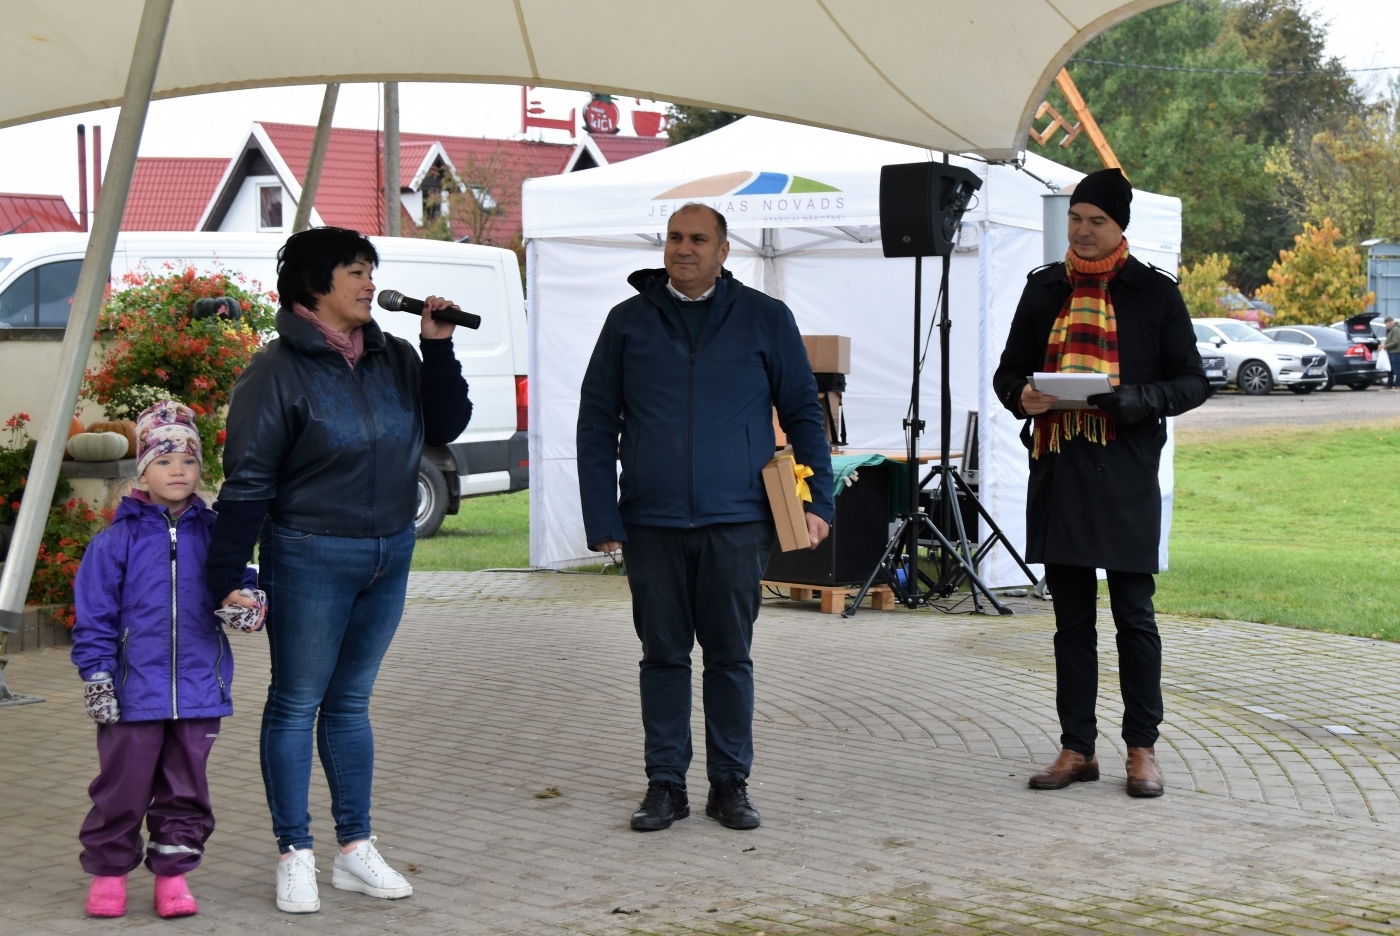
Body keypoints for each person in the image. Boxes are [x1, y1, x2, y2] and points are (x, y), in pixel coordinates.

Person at [204, 227, 471, 913]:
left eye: (371, 269)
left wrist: (438, 346)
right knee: (297, 702)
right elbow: (248, 479)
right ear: (315, 284)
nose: (368, 282)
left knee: (350, 704)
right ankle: (294, 852)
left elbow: (444, 423)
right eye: (356, 270)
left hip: (390, 550)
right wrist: (224, 574)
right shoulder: (276, 370)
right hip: (309, 552)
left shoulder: (395, 355)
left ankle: (355, 850)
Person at [577, 203, 834, 833]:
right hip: (651, 523)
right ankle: (665, 784)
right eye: (673, 237)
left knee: (730, 657)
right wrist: (600, 513)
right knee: (662, 657)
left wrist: (818, 500)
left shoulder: (765, 319)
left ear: (724, 250)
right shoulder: (627, 323)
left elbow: (803, 410)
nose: (683, 248)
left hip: (736, 520)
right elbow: (594, 421)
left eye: (697, 239)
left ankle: (730, 784)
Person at [992, 168, 1209, 798]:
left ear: (1120, 228)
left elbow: (1193, 382)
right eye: (1076, 219)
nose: (1083, 232)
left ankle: (1141, 749)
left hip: (1125, 471)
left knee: (1135, 618)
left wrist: (1136, 397)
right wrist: (1022, 396)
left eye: (1098, 222)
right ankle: (1076, 748)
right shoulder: (1043, 290)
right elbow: (1009, 373)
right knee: (1070, 623)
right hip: (1059, 470)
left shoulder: (1154, 294)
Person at [73, 401, 262, 919]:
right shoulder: (115, 543)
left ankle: (172, 878)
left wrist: (247, 608)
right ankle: (110, 873)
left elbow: (243, 586)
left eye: (188, 460)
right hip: (132, 693)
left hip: (199, 691)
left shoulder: (219, 534)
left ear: (201, 468)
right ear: (144, 469)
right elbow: (94, 619)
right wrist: (97, 678)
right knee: (121, 788)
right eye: (163, 459)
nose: (177, 469)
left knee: (186, 791)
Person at [1384, 316, 1400, 389]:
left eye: (1386, 324)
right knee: (1390, 369)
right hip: (1391, 352)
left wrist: (1385, 346)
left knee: (1397, 369)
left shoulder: (1396, 329)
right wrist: (1384, 343)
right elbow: (1389, 340)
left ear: (1390, 323)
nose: (1386, 326)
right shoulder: (1391, 330)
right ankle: (1389, 384)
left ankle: (1398, 385)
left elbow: (1396, 341)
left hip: (1396, 351)